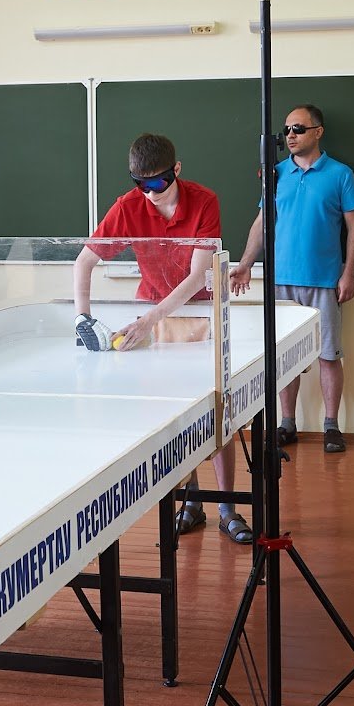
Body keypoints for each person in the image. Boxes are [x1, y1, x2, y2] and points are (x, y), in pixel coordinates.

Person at [73, 133, 252, 545]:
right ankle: (191, 502)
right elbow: (84, 261)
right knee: (172, 415)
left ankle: (227, 508)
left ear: (177, 170)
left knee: (216, 409)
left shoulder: (204, 201)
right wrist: (83, 317)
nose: (150, 193)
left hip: (200, 315)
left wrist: (149, 320)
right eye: (141, 184)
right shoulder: (128, 205)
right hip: (153, 315)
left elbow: (196, 277)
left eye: (158, 183)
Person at [229, 104, 354, 453]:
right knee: (284, 358)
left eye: (299, 129)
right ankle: (287, 424)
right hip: (281, 282)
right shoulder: (276, 174)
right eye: (287, 129)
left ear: (318, 132)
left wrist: (349, 273)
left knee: (328, 355)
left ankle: (331, 426)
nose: (290, 135)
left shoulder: (340, 174)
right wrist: (245, 263)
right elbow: (262, 223)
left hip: (324, 281)